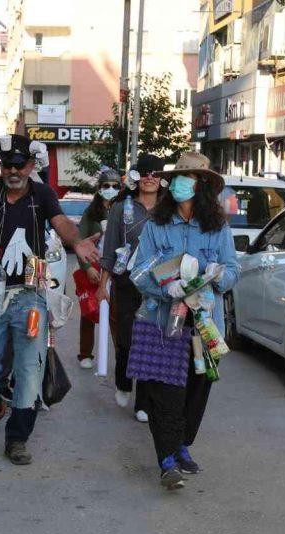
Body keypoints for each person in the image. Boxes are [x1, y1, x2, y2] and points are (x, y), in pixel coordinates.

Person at [0, 134, 99, 465]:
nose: (13, 171)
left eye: (20, 165)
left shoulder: (42, 193)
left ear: (32, 165)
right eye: (7, 165)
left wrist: (77, 243)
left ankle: (17, 439)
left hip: (30, 292)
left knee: (30, 369)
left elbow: (61, 222)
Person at [128, 152, 239, 490]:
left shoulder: (218, 228)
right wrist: (167, 287)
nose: (179, 184)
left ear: (202, 185)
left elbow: (233, 269)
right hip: (162, 322)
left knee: (196, 391)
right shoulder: (156, 226)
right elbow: (138, 272)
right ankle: (166, 460)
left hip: (205, 325)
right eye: (176, 177)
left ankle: (181, 444)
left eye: (187, 178)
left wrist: (218, 275)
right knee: (165, 394)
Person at [97, 154, 165, 423]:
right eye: (144, 172)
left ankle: (144, 402)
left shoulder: (169, 209)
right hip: (126, 281)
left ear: (162, 179)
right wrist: (102, 285)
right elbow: (109, 247)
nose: (150, 178)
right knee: (126, 338)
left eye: (155, 173)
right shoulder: (120, 208)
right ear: (136, 177)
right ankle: (124, 381)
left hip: (158, 284)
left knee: (150, 340)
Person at [75, 167, 121, 369]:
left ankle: (121, 356)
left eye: (115, 186)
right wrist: (87, 268)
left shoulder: (124, 209)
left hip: (117, 268)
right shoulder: (91, 212)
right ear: (99, 188)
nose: (111, 189)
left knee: (116, 313)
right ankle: (85, 354)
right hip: (94, 266)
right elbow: (81, 242)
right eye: (106, 185)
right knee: (89, 310)